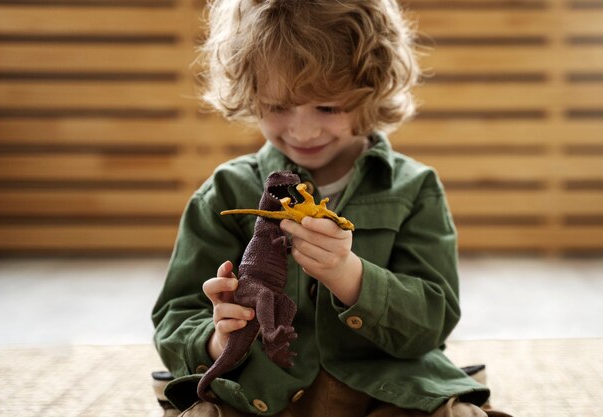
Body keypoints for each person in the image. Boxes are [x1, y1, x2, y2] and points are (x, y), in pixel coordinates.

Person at [152, 1, 507, 416]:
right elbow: (175, 320)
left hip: (388, 392)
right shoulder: (226, 192)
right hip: (261, 394)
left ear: (374, 89)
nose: (303, 131)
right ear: (250, 93)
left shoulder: (415, 189)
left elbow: (431, 322)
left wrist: (351, 278)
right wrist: (218, 338)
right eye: (278, 106)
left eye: (328, 107)